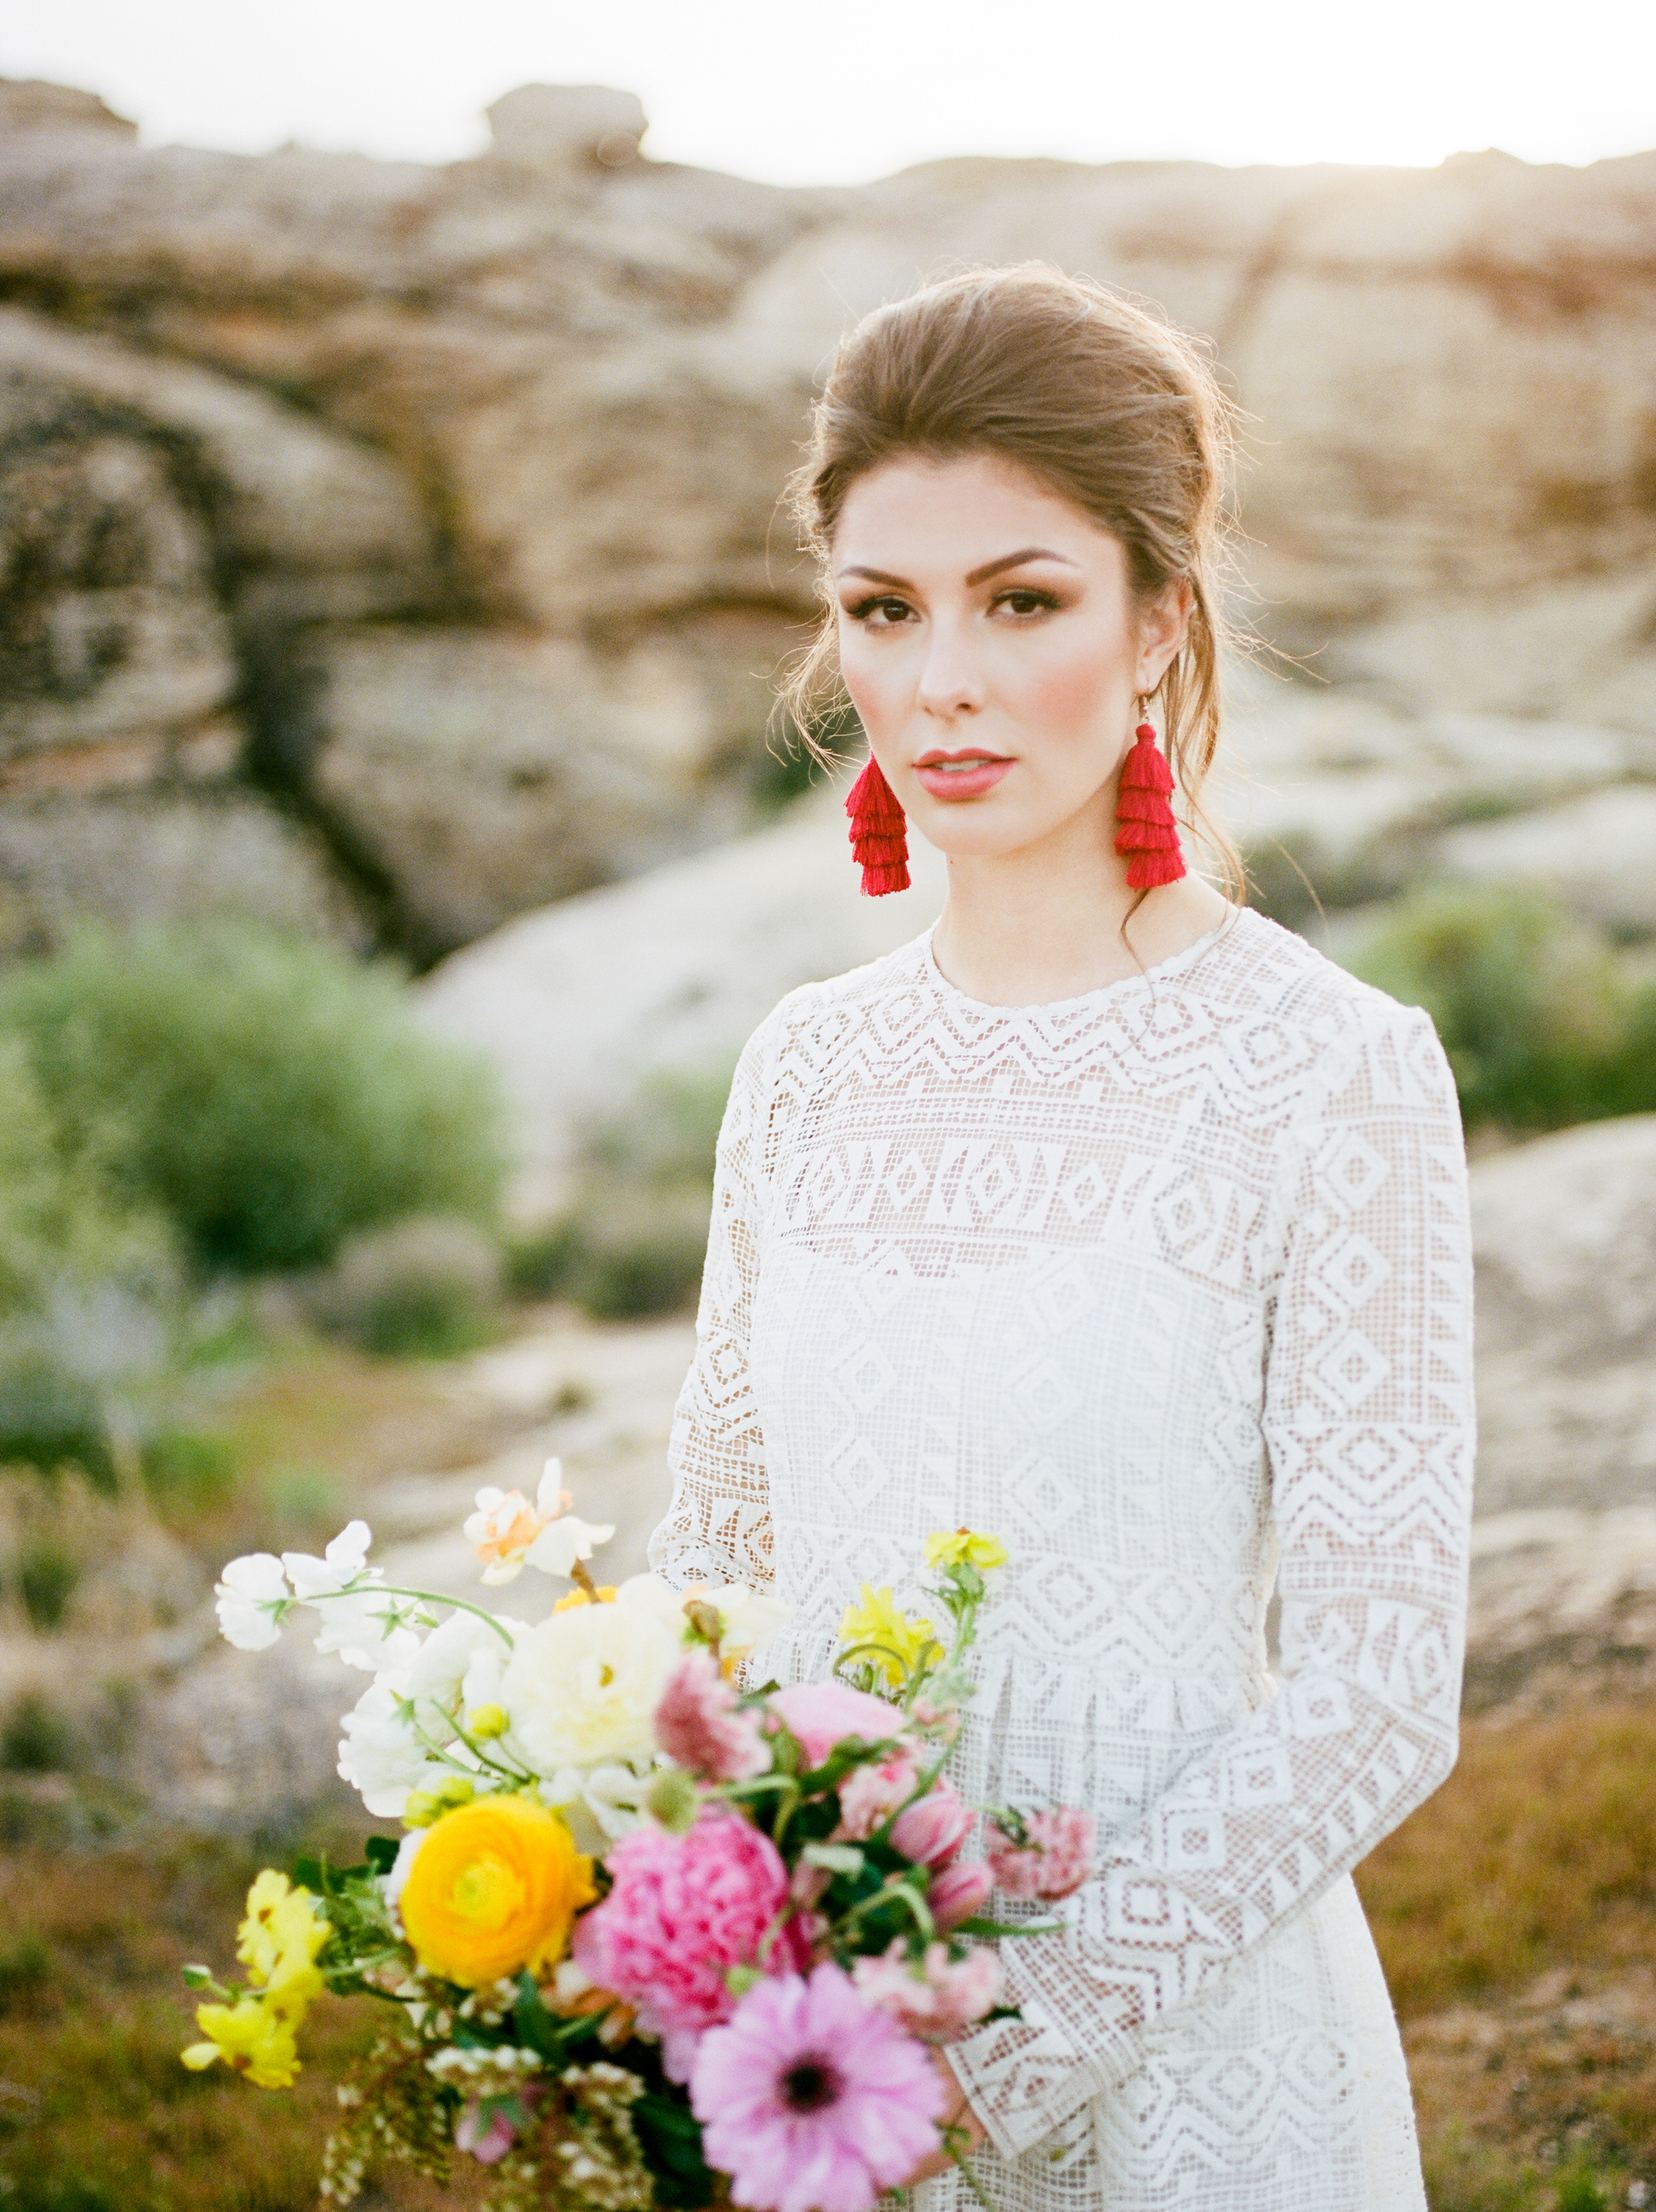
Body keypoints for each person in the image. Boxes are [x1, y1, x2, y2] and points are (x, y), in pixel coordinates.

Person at [647, 264, 1475, 2212]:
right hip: (827, 2071)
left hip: (1195, 2070)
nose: (944, 676)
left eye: (1020, 600)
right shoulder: (803, 1070)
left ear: (1156, 615)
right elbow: (715, 1571)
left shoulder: (1328, 1071)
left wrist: (1005, 2054)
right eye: (885, 607)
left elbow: (1374, 1689)